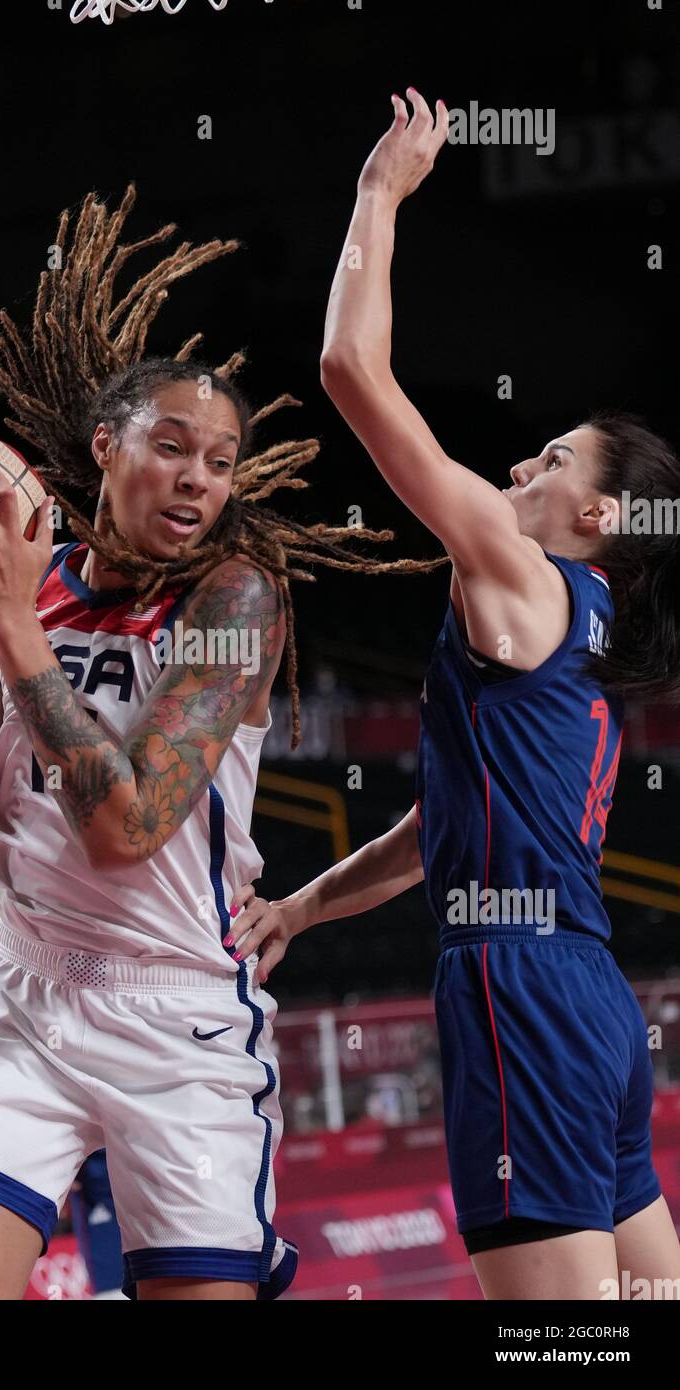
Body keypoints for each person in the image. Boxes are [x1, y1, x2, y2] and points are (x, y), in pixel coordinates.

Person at [0, 184, 439, 1301]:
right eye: (171, 447)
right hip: (24, 995)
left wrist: (12, 625)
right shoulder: (34, 591)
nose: (197, 478)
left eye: (219, 461)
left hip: (175, 1010)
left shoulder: (237, 600)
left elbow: (127, 827)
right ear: (104, 448)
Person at [223, 89, 680, 1301]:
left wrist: (378, 194)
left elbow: (347, 368)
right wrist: (303, 911)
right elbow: (442, 829)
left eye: (556, 458)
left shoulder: (526, 573)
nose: (524, 461)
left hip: (520, 987)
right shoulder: (582, 641)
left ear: (602, 517)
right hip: (592, 997)